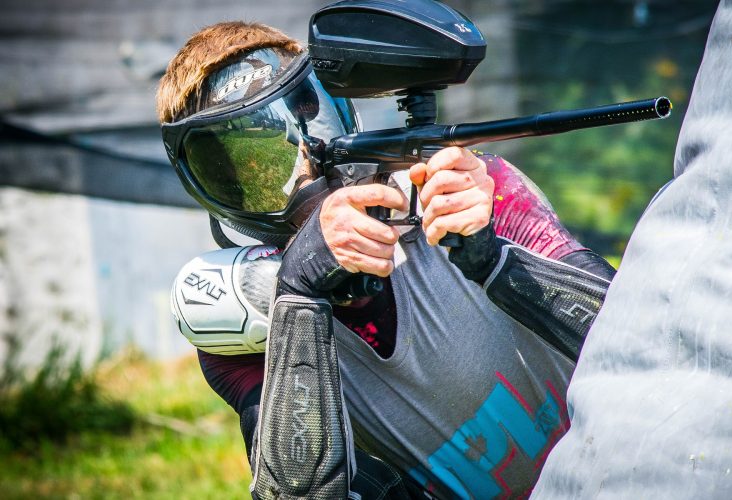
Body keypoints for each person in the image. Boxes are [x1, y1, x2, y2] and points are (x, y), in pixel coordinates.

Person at [158, 21, 616, 499]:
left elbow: (636, 331)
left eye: (307, 127)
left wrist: (490, 257)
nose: (304, 171)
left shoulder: (463, 193)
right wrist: (298, 293)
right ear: (209, 189)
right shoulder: (238, 328)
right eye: (251, 171)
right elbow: (300, 494)